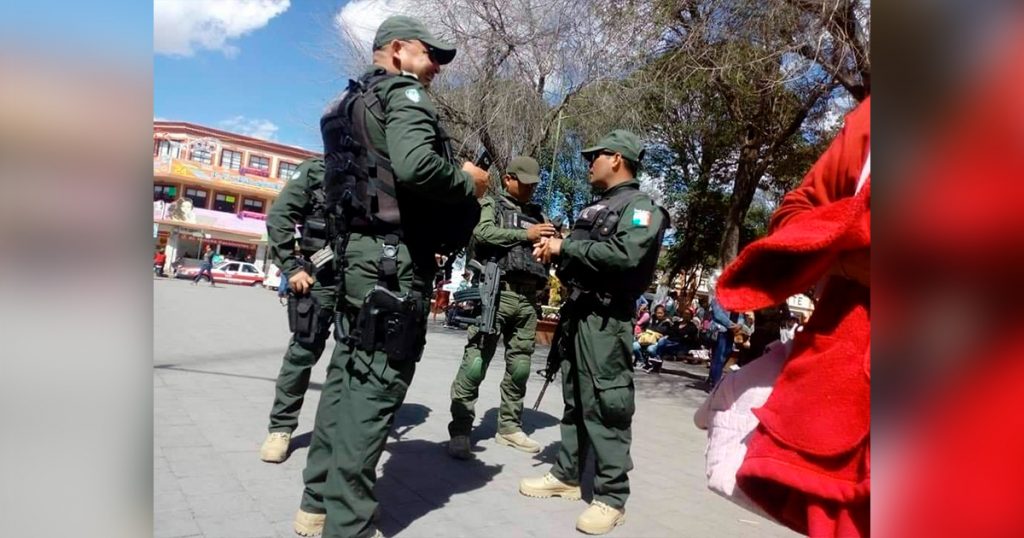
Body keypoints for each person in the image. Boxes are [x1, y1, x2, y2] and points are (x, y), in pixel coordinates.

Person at [292, 16, 489, 538]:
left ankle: (317, 503)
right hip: (393, 263)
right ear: (398, 50)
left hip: (361, 256)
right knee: (377, 386)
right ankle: (349, 523)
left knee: (348, 376)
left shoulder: (352, 100)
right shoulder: (405, 96)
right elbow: (418, 166)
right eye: (431, 56)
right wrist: (468, 182)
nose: (437, 69)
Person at [522, 130, 670, 535]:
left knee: (608, 406)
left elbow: (625, 256)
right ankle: (568, 476)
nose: (589, 163)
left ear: (618, 159)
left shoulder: (641, 209)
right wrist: (555, 250)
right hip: (579, 312)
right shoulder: (597, 207)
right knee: (575, 399)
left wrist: (565, 248)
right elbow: (583, 257)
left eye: (595, 156)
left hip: (607, 319)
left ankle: (610, 497)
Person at [447, 156, 557, 459]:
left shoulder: (539, 213)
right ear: (508, 179)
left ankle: (509, 427)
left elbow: (548, 247)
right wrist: (527, 234)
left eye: (533, 183)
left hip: (528, 299)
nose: (530, 189)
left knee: (520, 367)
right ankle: (460, 429)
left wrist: (552, 244)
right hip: (499, 293)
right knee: (476, 362)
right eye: (524, 182)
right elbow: (482, 234)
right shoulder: (492, 206)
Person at [258, 158, 340, 464]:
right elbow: (279, 216)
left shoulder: (377, 171)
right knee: (302, 354)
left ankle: (335, 430)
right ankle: (281, 428)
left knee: (350, 362)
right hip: (318, 278)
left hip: (358, 280)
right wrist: (291, 268)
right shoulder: (316, 170)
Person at [644, 308, 701, 373]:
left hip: (681, 346)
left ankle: (655, 363)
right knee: (653, 348)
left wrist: (678, 335)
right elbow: (669, 332)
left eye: (688, 314)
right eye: (685, 313)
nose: (686, 315)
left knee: (662, 343)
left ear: (691, 316)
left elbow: (688, 339)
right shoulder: (676, 324)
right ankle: (656, 362)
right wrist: (681, 335)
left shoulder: (692, 327)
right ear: (682, 314)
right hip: (670, 342)